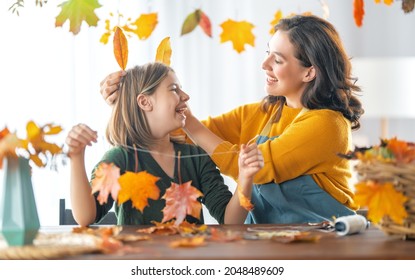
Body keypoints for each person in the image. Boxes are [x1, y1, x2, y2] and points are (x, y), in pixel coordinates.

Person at [100, 15, 364, 224]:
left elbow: (255, 170)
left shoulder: (328, 125)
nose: (265, 64)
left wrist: (188, 120)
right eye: (267, 52)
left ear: (309, 72)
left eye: (278, 59)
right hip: (272, 243)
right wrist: (130, 104)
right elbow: (177, 135)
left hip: (327, 244)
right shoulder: (264, 112)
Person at [66, 62, 263, 227]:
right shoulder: (120, 159)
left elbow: (231, 221)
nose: (185, 97)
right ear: (145, 102)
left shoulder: (197, 158)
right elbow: (85, 217)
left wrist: (245, 178)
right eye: (174, 89)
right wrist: (76, 156)